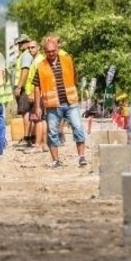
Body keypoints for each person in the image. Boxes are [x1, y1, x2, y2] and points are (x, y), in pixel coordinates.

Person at [33, 34, 88, 168]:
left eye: (53, 51)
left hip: (70, 102)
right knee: (52, 132)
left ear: (57, 49)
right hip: (52, 104)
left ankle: (81, 157)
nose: (51, 53)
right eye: (48, 51)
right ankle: (56, 160)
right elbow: (36, 86)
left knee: (78, 128)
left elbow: (75, 76)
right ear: (44, 52)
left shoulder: (67, 60)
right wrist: (38, 106)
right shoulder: (41, 66)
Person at [13, 36, 42, 147]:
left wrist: (19, 86)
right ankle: (32, 136)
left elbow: (25, 71)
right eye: (18, 43)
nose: (19, 45)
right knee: (29, 113)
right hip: (27, 88)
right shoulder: (26, 55)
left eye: (21, 43)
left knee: (26, 112)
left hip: (26, 88)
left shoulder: (25, 56)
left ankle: (27, 137)